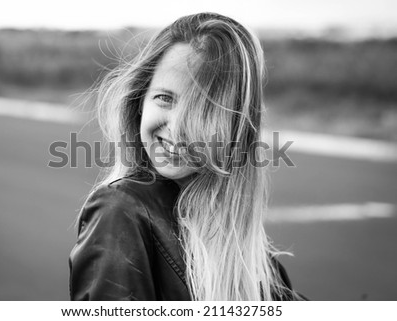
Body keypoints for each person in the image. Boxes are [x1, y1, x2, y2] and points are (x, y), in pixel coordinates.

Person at [69, 12, 304, 301]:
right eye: (164, 98)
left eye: (203, 110)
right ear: (139, 101)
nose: (178, 128)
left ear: (236, 129)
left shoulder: (252, 257)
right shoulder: (121, 210)